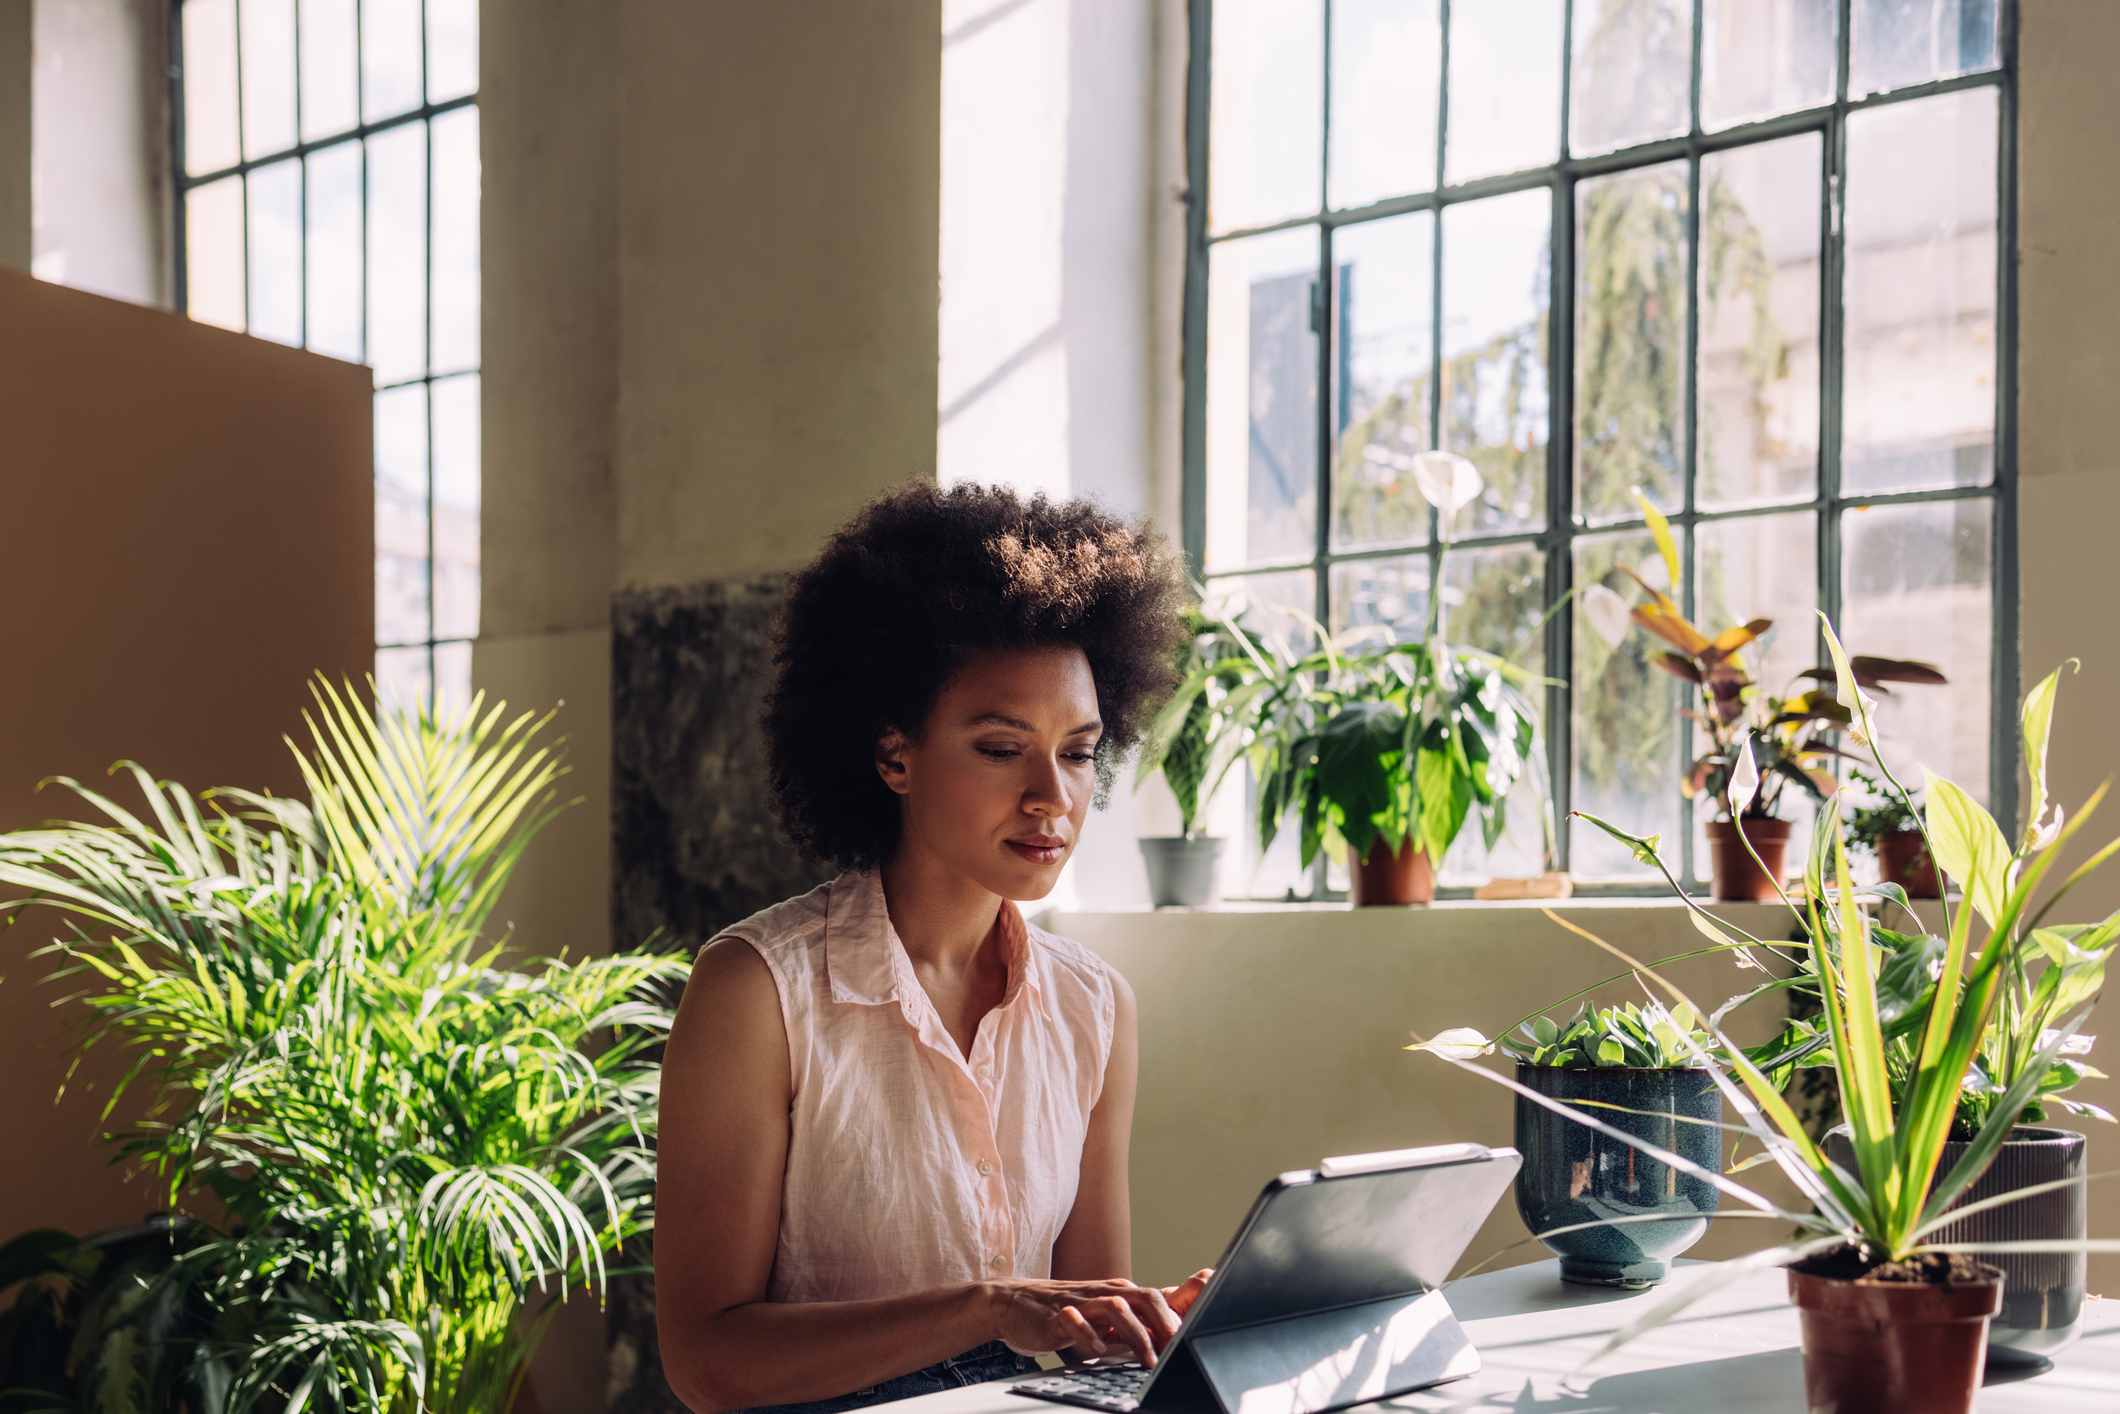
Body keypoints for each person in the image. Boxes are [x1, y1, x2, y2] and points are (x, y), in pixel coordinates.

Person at [655, 483, 1217, 1414]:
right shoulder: (761, 991)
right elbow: (709, 1363)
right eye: (1003, 749)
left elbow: (1090, 1348)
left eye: (1078, 753)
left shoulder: (1094, 1005)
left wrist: (1148, 1323)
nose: (1052, 797)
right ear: (893, 757)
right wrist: (989, 1308)